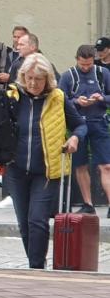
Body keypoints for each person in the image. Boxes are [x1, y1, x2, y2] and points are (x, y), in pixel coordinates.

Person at [4, 53, 85, 269]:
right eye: (29, 78)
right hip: (16, 170)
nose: (33, 83)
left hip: (47, 172)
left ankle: (36, 268)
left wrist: (75, 138)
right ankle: (35, 263)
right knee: (24, 224)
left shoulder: (58, 98)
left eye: (38, 79)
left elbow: (80, 124)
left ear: (47, 79)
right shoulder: (13, 97)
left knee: (37, 220)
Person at [59, 45, 110, 216]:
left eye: (89, 64)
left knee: (106, 166)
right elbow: (60, 100)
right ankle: (88, 204)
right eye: (82, 64)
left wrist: (101, 98)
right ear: (77, 60)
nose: (86, 68)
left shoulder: (103, 73)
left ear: (93, 60)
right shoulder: (68, 76)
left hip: (99, 122)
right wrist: (76, 101)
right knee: (80, 165)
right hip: (77, 124)